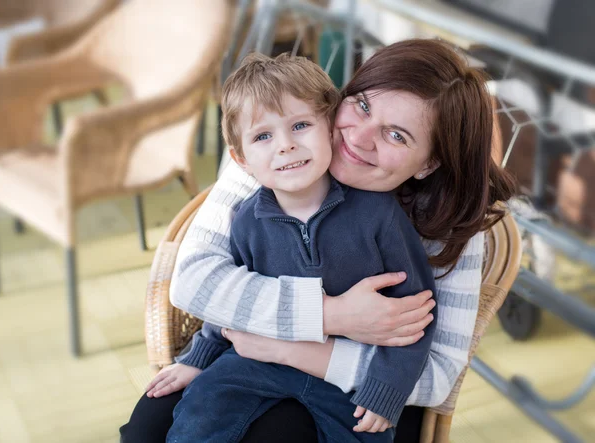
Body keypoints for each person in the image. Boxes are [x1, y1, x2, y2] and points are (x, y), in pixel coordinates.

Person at [120, 38, 516, 443]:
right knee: (149, 429)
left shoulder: (435, 223)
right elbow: (196, 283)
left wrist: (285, 348)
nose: (358, 138)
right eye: (362, 105)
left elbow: (436, 375)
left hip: (365, 391)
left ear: (429, 162)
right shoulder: (279, 150)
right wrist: (332, 315)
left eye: (396, 135)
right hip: (250, 363)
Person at [165, 52, 437, 443]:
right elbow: (233, 298)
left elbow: (417, 316)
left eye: (301, 126)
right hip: (255, 361)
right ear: (241, 160)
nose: (286, 146)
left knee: (368, 436)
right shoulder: (245, 220)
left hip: (341, 375)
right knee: (199, 411)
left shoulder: (380, 215)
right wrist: (199, 358)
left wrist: (385, 390)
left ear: (330, 130)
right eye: (263, 136)